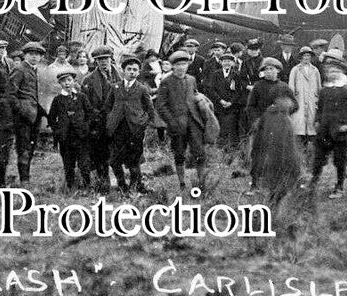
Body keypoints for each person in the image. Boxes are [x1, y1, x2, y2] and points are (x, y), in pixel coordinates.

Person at [245, 57, 297, 198]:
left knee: (279, 156)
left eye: (271, 69)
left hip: (280, 127)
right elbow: (250, 107)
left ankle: (278, 184)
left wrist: (283, 107)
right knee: (258, 155)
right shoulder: (258, 86)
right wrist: (256, 120)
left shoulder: (284, 87)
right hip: (262, 126)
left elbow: (294, 105)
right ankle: (255, 184)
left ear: (278, 71)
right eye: (266, 69)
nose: (268, 72)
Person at [105, 55, 156, 194]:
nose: (132, 72)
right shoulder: (115, 87)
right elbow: (108, 106)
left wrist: (143, 123)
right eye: (129, 69)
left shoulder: (142, 88)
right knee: (115, 160)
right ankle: (122, 185)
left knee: (134, 160)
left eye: (135, 70)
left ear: (139, 72)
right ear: (123, 71)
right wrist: (111, 120)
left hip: (134, 129)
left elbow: (150, 109)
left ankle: (135, 186)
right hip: (117, 129)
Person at [157, 50, 207, 189]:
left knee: (200, 153)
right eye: (178, 64)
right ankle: (182, 182)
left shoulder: (191, 79)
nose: (181, 67)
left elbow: (195, 95)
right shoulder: (166, 81)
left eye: (184, 64)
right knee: (179, 153)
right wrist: (172, 122)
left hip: (194, 123)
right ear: (172, 66)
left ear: (187, 65)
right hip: (177, 124)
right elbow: (161, 106)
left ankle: (201, 182)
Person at [311, 67, 347, 197]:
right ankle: (313, 184)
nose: (333, 75)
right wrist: (317, 121)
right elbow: (319, 108)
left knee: (340, 160)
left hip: (340, 132)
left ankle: (339, 186)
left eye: (336, 73)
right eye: (330, 72)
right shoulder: (324, 91)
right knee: (318, 159)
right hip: (324, 130)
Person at [48, 67, 95, 191]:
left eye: (69, 80)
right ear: (60, 84)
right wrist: (58, 131)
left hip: (81, 137)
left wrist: (86, 127)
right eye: (63, 81)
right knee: (68, 165)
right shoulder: (57, 100)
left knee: (84, 164)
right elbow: (51, 118)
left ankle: (87, 187)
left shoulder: (81, 97)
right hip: (66, 138)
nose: (67, 83)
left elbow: (90, 113)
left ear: (74, 81)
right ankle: (70, 188)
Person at [80, 45, 120, 190]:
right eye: (100, 59)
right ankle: (104, 182)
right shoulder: (88, 80)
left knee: (118, 152)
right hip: (99, 122)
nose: (103, 62)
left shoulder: (120, 74)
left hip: (117, 120)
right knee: (100, 153)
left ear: (111, 59)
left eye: (106, 59)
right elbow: (85, 104)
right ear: (96, 61)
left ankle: (122, 181)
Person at [8, 42, 45, 183]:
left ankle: (26, 176)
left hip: (35, 115)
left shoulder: (37, 70)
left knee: (31, 146)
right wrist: (20, 109)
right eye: (31, 54)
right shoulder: (19, 69)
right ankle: (24, 180)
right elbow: (10, 94)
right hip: (23, 116)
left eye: (38, 55)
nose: (35, 57)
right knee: (23, 147)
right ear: (25, 55)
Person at [201, 51, 245, 158]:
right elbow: (211, 89)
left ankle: (228, 151)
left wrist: (231, 102)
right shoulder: (216, 74)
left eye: (229, 61)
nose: (226, 63)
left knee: (229, 127)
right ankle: (216, 149)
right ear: (221, 63)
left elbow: (238, 91)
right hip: (218, 105)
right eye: (224, 61)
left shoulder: (236, 75)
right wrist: (220, 100)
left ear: (233, 63)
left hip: (231, 106)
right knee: (217, 126)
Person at [288, 46, 321, 154]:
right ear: (301, 57)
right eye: (304, 56)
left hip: (311, 99)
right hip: (299, 99)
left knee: (311, 122)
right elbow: (291, 85)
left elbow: (319, 86)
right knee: (299, 121)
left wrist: (318, 98)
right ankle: (299, 146)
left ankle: (310, 147)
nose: (306, 58)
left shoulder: (315, 70)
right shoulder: (295, 69)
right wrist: (293, 97)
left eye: (308, 56)